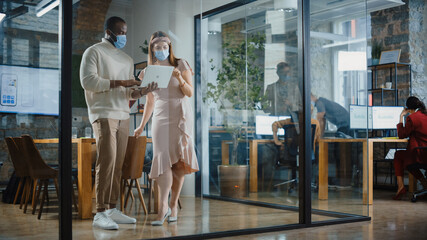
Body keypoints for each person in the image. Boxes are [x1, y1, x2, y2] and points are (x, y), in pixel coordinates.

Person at [80, 16, 157, 230]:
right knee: (107, 160)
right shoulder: (93, 52)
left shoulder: (126, 59)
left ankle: (112, 208)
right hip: (103, 112)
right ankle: (100, 212)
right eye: (120, 31)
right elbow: (88, 81)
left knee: (118, 163)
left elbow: (128, 92)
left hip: (123, 114)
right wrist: (123, 82)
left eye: (125, 31)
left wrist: (143, 90)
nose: (123, 35)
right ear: (108, 31)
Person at [134, 31, 199, 226]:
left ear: (169, 47)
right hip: (160, 117)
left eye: (165, 46)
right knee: (162, 159)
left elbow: (189, 93)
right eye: (157, 47)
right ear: (152, 49)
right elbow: (149, 101)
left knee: (179, 162)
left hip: (180, 115)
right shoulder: (147, 71)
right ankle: (161, 208)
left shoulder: (181, 64)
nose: (161, 50)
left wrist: (179, 78)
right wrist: (141, 125)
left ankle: (172, 206)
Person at [393, 96, 427, 200]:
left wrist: (401, 117)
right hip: (424, 153)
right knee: (407, 158)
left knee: (399, 155)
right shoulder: (425, 114)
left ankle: (401, 186)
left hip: (420, 154)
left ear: (408, 108)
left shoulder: (412, 118)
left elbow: (402, 134)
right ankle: (425, 184)